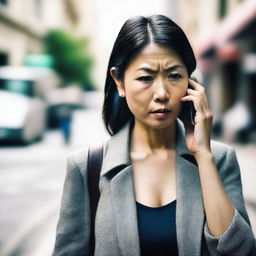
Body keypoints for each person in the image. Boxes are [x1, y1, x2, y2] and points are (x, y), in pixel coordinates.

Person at [52, 15, 256, 256]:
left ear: (191, 83)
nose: (161, 93)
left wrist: (203, 156)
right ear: (119, 81)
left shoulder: (219, 160)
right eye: (145, 78)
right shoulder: (87, 167)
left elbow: (240, 251)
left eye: (174, 76)